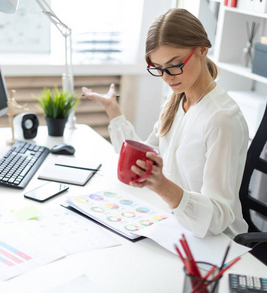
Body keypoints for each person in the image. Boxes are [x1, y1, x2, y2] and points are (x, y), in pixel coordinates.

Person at [81, 8, 249, 238]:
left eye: (175, 64)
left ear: (202, 49)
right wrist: (114, 112)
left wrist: (161, 186)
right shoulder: (178, 99)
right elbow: (143, 155)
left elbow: (218, 219)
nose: (167, 77)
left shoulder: (221, 118)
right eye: (158, 68)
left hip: (212, 241)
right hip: (174, 223)